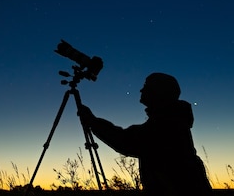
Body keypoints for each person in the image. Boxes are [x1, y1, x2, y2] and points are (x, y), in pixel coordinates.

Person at [78, 72, 212, 195]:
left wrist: (93, 122)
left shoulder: (167, 123)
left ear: (159, 92)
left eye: (146, 86)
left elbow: (127, 141)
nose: (141, 90)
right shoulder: (170, 118)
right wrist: (94, 122)